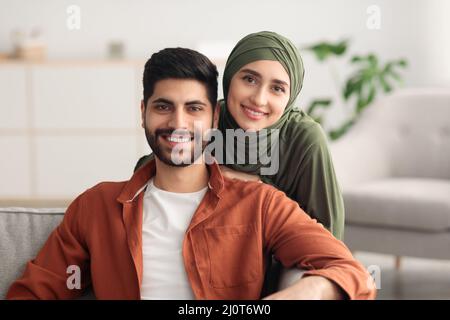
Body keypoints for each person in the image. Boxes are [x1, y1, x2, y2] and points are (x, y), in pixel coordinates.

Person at [7, 48, 374, 300]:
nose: (178, 123)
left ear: (213, 118)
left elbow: (351, 273)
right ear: (143, 113)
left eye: (193, 108)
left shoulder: (261, 204)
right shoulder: (96, 205)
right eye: (163, 107)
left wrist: (305, 292)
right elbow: (35, 290)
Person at [136, 31, 344, 240]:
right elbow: (156, 169)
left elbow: (329, 234)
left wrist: (254, 186)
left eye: (277, 88)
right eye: (249, 79)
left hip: (280, 257)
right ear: (230, 78)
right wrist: (210, 175)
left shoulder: (304, 138)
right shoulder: (207, 118)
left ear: (291, 96)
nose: (259, 99)